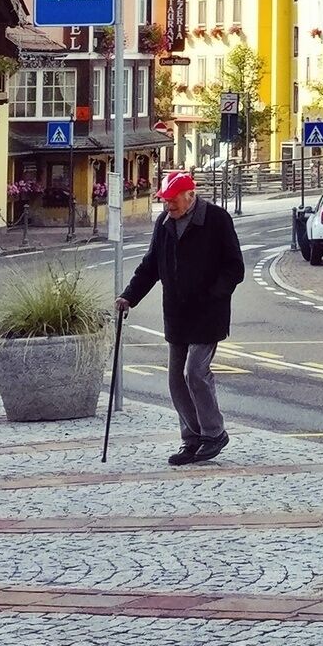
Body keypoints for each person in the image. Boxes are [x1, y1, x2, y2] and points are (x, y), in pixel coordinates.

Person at [118, 169, 245, 466]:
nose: (168, 205)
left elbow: (234, 267)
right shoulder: (164, 223)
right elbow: (150, 266)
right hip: (176, 312)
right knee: (176, 380)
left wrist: (215, 293)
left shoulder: (216, 219)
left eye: (173, 200)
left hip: (208, 312)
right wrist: (129, 297)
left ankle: (214, 433)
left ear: (191, 195)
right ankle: (192, 438)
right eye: (165, 200)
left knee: (195, 372)